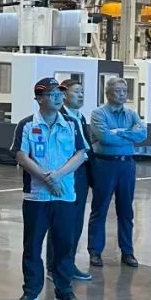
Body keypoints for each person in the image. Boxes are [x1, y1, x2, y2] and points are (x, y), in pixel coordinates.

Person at [14, 77, 87, 300]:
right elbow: (21, 156)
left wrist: (58, 176)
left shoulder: (71, 124)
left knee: (64, 244)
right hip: (37, 197)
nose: (58, 98)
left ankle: (64, 290)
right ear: (39, 98)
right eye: (52, 94)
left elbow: (81, 154)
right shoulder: (27, 124)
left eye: (60, 94)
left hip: (65, 195)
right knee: (33, 246)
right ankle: (31, 291)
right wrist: (46, 179)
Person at [87, 77, 147, 269]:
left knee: (126, 210)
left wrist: (118, 132)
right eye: (118, 91)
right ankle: (95, 251)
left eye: (124, 91)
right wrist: (127, 135)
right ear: (108, 93)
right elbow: (105, 138)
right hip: (105, 165)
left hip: (126, 165)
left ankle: (127, 252)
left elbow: (142, 135)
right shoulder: (99, 114)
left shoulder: (131, 114)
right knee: (100, 208)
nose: (122, 94)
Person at [45, 78, 94, 284]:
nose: (81, 96)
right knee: (61, 222)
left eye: (82, 92)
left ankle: (68, 263)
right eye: (76, 92)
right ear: (64, 95)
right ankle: (54, 266)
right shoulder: (60, 117)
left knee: (75, 221)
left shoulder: (79, 117)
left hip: (80, 174)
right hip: (65, 174)